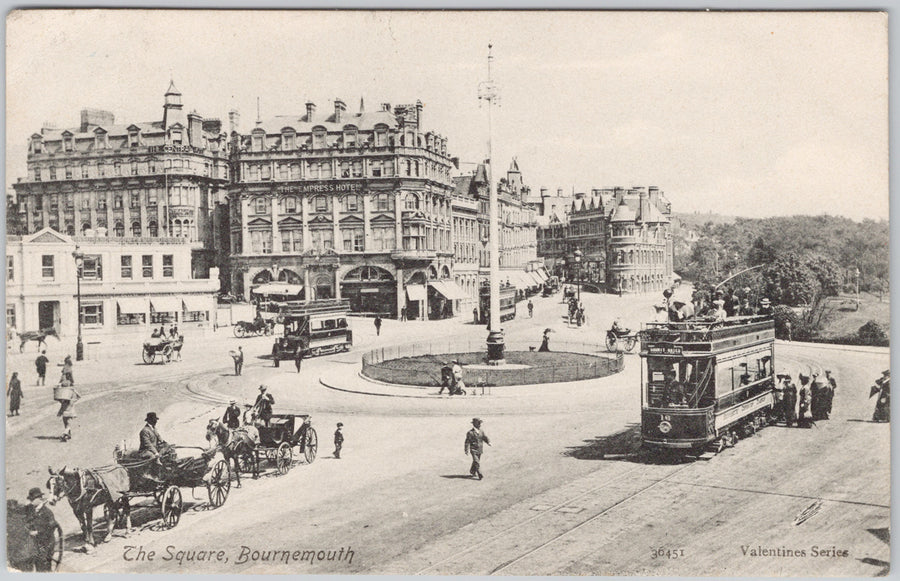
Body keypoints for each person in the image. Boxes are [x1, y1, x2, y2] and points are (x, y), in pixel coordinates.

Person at [25, 487, 58, 572]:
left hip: (47, 543)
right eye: (30, 499)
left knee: (45, 568)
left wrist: (38, 532)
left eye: (33, 499)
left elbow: (52, 527)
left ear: (39, 499)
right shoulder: (31, 511)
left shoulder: (47, 512)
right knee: (38, 567)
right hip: (36, 545)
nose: (31, 501)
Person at [139, 412, 171, 480]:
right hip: (145, 451)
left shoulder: (154, 429)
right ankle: (150, 475)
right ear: (150, 420)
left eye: (156, 420)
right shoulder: (144, 431)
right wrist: (156, 453)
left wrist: (165, 443)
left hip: (154, 449)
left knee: (168, 451)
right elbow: (147, 444)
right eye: (154, 420)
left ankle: (166, 471)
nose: (156, 421)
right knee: (153, 457)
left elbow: (159, 437)